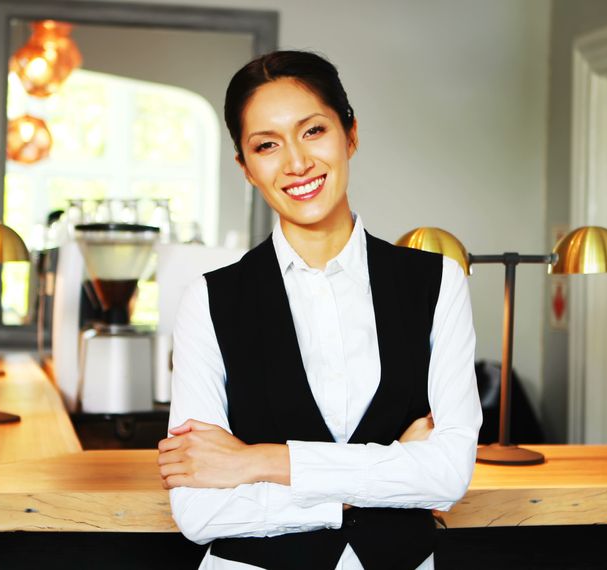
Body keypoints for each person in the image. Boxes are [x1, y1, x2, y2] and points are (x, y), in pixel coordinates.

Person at [158, 50, 481, 570]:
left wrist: (259, 461)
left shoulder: (436, 282)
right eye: (267, 145)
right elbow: (199, 511)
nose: (297, 163)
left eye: (313, 131)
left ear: (350, 134)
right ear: (245, 167)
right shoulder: (210, 298)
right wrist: (377, 486)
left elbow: (447, 475)